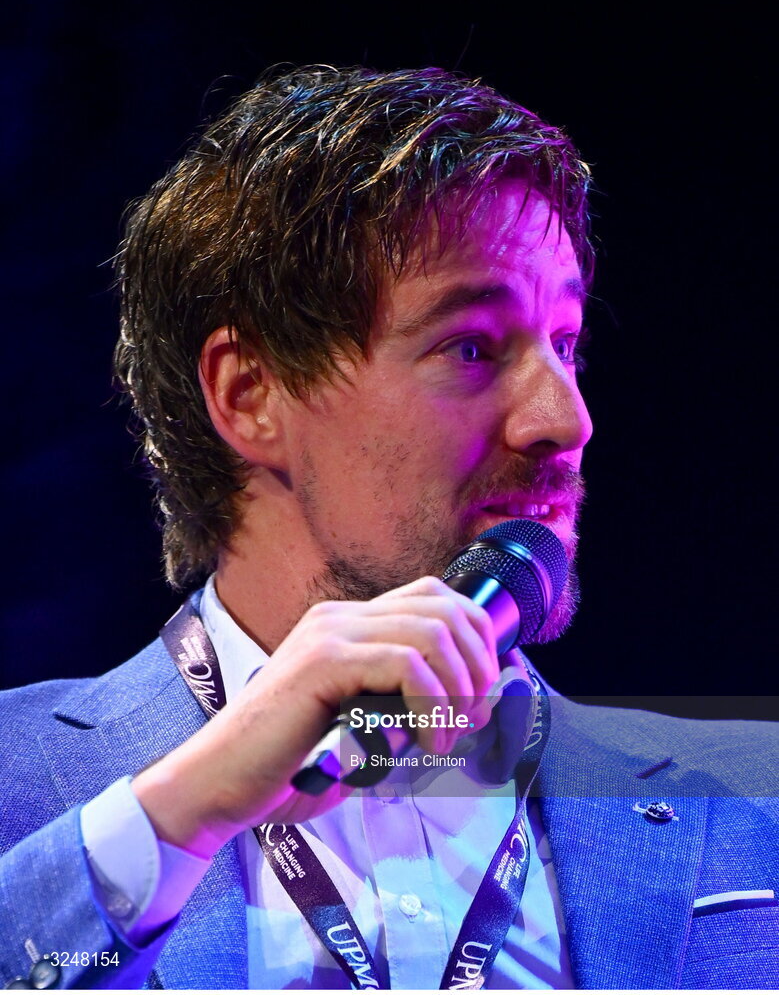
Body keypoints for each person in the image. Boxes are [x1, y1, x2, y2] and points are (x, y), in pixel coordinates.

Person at [1, 65, 777, 991]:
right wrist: (182, 811)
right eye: (472, 348)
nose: (565, 420)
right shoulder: (20, 773)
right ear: (250, 395)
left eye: (564, 343)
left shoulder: (747, 795)